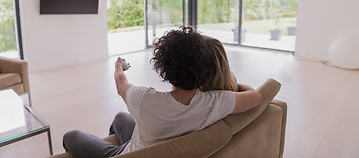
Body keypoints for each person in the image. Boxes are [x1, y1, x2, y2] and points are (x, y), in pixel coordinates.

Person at [63, 26, 262, 158]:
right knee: (120, 117)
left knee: (70, 136)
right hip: (150, 143)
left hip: (132, 154)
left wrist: (118, 66)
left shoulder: (144, 100)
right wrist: (234, 84)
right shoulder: (218, 102)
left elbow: (120, 82)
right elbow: (256, 96)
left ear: (163, 68)